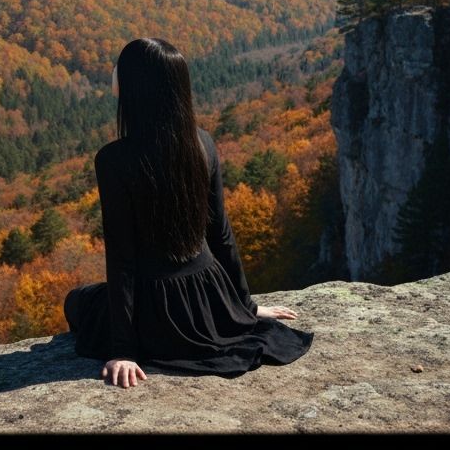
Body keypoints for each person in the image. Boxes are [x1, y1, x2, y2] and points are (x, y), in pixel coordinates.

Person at [64, 37, 313, 387]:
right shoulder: (203, 142)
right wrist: (244, 308)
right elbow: (220, 233)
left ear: (135, 85)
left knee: (77, 301)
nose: (113, 71)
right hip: (212, 296)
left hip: (157, 309)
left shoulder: (114, 160)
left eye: (119, 67)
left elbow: (122, 257)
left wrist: (124, 350)